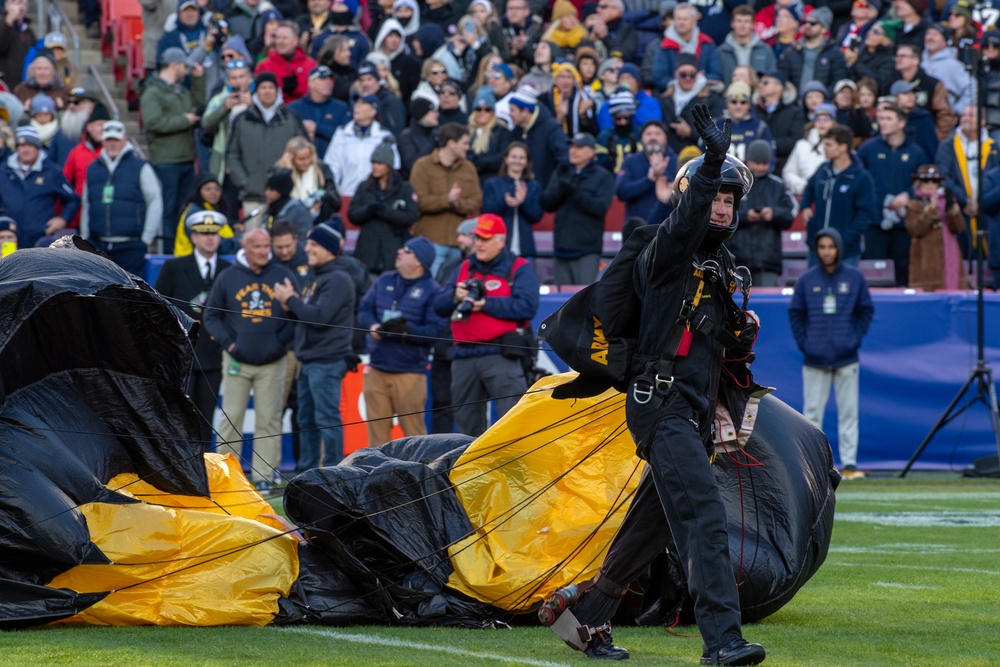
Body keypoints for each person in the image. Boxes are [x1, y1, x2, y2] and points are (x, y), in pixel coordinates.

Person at [542, 104, 765, 666]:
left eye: (728, 199)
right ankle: (723, 642)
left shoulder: (722, 271)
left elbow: (722, 352)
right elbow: (681, 229)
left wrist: (739, 331)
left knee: (654, 524)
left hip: (691, 410)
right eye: (712, 195)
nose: (719, 206)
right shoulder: (660, 250)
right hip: (657, 402)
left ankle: (587, 619)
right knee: (704, 517)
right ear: (691, 196)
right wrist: (713, 159)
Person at [203, 228, 296, 493]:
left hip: (272, 361)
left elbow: (295, 315)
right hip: (236, 361)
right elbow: (210, 316)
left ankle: (264, 474)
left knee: (269, 418)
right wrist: (229, 343)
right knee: (231, 416)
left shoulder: (282, 275)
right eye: (257, 246)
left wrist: (280, 343)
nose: (264, 251)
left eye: (267, 246)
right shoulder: (229, 276)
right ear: (245, 247)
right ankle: (227, 474)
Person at [433, 214, 539, 437]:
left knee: (513, 425)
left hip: (501, 355)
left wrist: (485, 304)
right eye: (477, 237)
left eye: (485, 238)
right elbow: (438, 305)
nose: (478, 243)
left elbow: (527, 306)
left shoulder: (519, 267)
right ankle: (472, 471)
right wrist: (455, 296)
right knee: (466, 429)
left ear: (500, 241)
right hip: (463, 356)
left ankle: (514, 471)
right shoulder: (463, 267)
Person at [789, 227, 874, 480]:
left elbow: (865, 311)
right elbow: (796, 314)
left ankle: (849, 464)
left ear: (838, 248)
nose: (827, 251)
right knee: (812, 414)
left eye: (831, 246)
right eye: (822, 247)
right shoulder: (806, 280)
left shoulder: (854, 278)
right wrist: (807, 344)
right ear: (817, 249)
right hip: (814, 359)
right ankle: (812, 465)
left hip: (847, 358)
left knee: (849, 412)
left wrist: (853, 340)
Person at [274, 223, 357, 470]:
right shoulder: (318, 277)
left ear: (329, 249)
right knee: (306, 419)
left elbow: (319, 317)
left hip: (327, 360)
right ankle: (307, 471)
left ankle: (334, 471)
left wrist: (290, 300)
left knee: (326, 419)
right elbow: (306, 316)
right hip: (310, 360)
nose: (306, 248)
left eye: (313, 244)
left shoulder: (338, 278)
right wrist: (292, 306)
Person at [154, 210, 233, 447]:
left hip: (214, 354)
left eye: (214, 233)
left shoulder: (228, 270)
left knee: (207, 419)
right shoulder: (174, 268)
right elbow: (158, 306)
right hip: (183, 355)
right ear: (193, 237)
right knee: (179, 418)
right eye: (203, 233)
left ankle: (205, 469)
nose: (209, 238)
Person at [358, 236, 447, 446]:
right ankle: (378, 478)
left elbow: (435, 331)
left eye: (407, 250)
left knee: (415, 439)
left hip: (409, 373)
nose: (400, 251)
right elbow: (364, 309)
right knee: (376, 439)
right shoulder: (384, 280)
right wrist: (373, 327)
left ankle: (420, 477)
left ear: (419, 261)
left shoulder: (433, 291)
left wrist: (406, 332)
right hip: (377, 368)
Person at [139, 46, 205, 254]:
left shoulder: (181, 90)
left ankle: (182, 249)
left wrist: (198, 80)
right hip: (166, 159)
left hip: (185, 158)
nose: (186, 70)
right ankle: (167, 251)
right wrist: (183, 120)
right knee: (168, 210)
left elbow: (198, 105)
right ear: (174, 65)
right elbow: (152, 122)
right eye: (184, 66)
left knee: (183, 210)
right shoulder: (152, 92)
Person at [857, 103, 927, 286]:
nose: (883, 123)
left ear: (901, 123)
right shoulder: (867, 149)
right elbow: (857, 180)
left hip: (905, 224)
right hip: (874, 222)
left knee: (902, 271)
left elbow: (925, 186)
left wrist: (909, 196)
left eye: (888, 119)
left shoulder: (915, 152)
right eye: (880, 119)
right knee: (873, 272)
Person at [80, 121, 163, 275]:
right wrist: (85, 238)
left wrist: (146, 238)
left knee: (131, 295)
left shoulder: (140, 166)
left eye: (116, 140)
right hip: (97, 246)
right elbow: (86, 204)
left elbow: (155, 201)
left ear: (124, 140)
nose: (112, 144)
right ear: (102, 141)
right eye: (109, 140)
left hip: (131, 247)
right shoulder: (92, 168)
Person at [226, 71, 307, 220]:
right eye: (263, 87)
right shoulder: (242, 119)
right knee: (254, 239)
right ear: (256, 91)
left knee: (284, 240)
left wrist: (291, 178)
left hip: (286, 197)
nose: (267, 91)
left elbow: (305, 151)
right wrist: (245, 182)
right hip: (253, 195)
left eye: (271, 87)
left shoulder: (291, 118)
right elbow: (232, 155)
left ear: (277, 91)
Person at [542, 132, 615, 286]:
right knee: (562, 305)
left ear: (592, 152)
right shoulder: (561, 172)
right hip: (561, 248)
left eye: (579, 147)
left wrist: (574, 191)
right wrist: (561, 189)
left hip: (586, 251)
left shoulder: (603, 177)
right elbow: (546, 204)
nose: (573, 150)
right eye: (572, 146)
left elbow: (600, 208)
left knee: (583, 301)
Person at [411, 122, 483, 276]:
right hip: (431, 242)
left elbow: (476, 202)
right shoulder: (422, 166)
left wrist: (458, 203)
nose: (467, 147)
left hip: (460, 245)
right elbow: (418, 202)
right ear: (451, 143)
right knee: (429, 286)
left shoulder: (469, 168)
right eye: (464, 143)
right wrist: (446, 200)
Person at [800, 123, 877, 266]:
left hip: (846, 252)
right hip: (817, 248)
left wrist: (845, 239)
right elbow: (809, 188)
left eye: (829, 144)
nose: (824, 148)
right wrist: (805, 207)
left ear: (843, 147)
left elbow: (865, 214)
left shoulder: (861, 177)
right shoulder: (822, 170)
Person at [727, 140, 797, 286]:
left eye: (764, 163)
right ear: (748, 160)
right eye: (756, 162)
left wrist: (774, 214)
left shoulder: (778, 186)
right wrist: (746, 216)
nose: (759, 167)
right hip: (738, 260)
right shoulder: (736, 183)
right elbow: (724, 213)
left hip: (768, 261)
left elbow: (790, 214)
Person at [349, 137, 420, 275]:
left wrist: (385, 211)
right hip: (368, 250)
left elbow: (411, 216)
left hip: (392, 248)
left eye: (380, 163)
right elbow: (353, 215)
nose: (375, 166)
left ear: (389, 166)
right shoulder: (364, 187)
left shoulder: (403, 188)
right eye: (373, 162)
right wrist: (369, 209)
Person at [0, 126, 79, 248]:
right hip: (8, 240)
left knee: (36, 267)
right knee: (9, 267)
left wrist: (63, 219)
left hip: (40, 240)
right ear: (16, 148)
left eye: (30, 145)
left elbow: (72, 199)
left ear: (38, 147)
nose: (26, 150)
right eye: (21, 146)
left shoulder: (51, 172)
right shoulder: (3, 171)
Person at [905, 163, 968, 292]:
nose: (930, 184)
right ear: (919, 183)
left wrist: (951, 210)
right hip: (925, 260)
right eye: (925, 180)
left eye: (934, 181)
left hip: (950, 253)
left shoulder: (948, 202)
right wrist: (931, 211)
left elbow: (959, 228)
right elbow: (915, 229)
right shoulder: (913, 205)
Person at [324, 92, 399, 196]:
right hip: (347, 194)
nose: (357, 106)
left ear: (373, 111)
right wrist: (334, 193)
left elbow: (394, 166)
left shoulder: (384, 136)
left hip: (376, 197)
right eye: (356, 103)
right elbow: (332, 166)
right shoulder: (342, 133)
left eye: (363, 103)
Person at [481, 141, 543, 262]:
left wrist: (523, 202)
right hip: (498, 249)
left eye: (521, 158)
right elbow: (486, 213)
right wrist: (504, 203)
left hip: (525, 250)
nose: (517, 161)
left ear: (526, 162)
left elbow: (536, 216)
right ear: (506, 159)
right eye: (514, 157)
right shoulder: (493, 184)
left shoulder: (533, 186)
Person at [615, 120, 680, 224]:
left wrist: (662, 174)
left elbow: (685, 193)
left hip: (671, 227)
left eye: (657, 133)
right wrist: (650, 179)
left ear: (666, 138)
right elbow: (621, 191)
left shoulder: (677, 161)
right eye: (648, 134)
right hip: (638, 230)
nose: (653, 137)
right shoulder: (630, 161)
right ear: (641, 139)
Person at [508, 87, 570, 188]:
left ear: (525, 112)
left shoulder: (552, 129)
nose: (509, 114)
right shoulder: (517, 130)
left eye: (512, 110)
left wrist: (551, 191)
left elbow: (564, 161)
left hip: (546, 193)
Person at [288, 64, 351, 158]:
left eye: (331, 79)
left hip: (332, 164)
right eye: (323, 79)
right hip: (301, 163)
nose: (328, 82)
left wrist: (317, 128)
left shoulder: (341, 107)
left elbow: (347, 136)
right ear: (310, 83)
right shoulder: (294, 107)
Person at [276, 135, 342, 223]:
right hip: (289, 223)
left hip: (319, 222)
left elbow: (336, 202)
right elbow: (276, 201)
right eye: (301, 159)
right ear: (291, 158)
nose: (306, 162)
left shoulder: (322, 169)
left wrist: (321, 197)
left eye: (308, 157)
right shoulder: (279, 171)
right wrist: (287, 171)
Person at [174, 174, 239, 257]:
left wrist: (232, 225)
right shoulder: (196, 213)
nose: (213, 193)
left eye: (217, 189)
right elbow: (218, 245)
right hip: (189, 261)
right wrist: (238, 245)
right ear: (199, 191)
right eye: (208, 189)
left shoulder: (209, 208)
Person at [754, 70, 803, 176]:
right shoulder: (754, 109)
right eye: (760, 82)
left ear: (779, 86)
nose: (760, 85)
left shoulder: (794, 112)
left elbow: (794, 140)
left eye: (765, 82)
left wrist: (768, 145)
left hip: (783, 166)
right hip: (754, 165)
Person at [255, 21, 317, 103]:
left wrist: (297, 90)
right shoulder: (264, 66)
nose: (280, 42)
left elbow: (316, 93)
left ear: (295, 41)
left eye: (284, 38)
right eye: (277, 38)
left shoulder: (310, 65)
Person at [783, 102, 837, 196]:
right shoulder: (802, 145)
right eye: (818, 119)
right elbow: (789, 172)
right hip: (804, 195)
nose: (822, 123)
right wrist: (804, 187)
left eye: (826, 119)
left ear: (833, 123)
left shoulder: (839, 146)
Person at [718, 5, 776, 85]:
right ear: (732, 23)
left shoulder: (765, 50)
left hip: (758, 95)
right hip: (729, 95)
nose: (742, 25)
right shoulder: (721, 51)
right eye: (739, 21)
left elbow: (772, 76)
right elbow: (718, 78)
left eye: (746, 21)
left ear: (753, 24)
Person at [467, 88, 512, 181]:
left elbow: (503, 155)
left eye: (487, 109)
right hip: (470, 178)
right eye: (478, 109)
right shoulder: (467, 131)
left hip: (493, 178)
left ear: (492, 112)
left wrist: (480, 163)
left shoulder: (502, 131)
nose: (482, 113)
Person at [397, 96, 439, 177]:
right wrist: (432, 145)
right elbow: (411, 165)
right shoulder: (406, 137)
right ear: (422, 114)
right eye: (433, 112)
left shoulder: (436, 133)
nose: (437, 115)